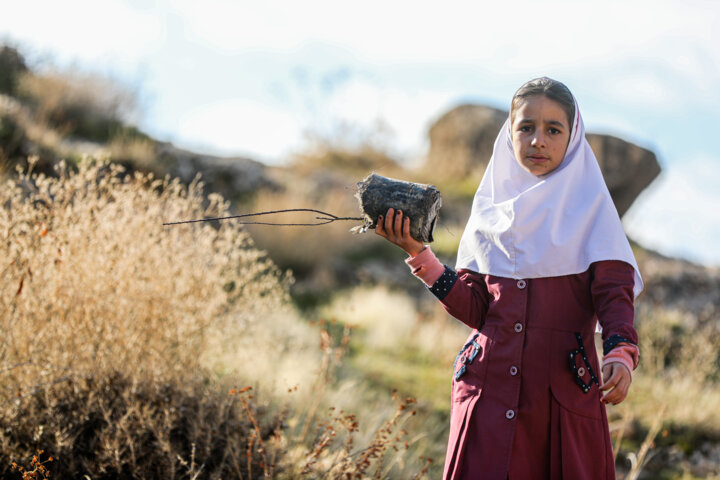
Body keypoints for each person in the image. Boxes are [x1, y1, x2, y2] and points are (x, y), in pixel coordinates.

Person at [375, 77, 641, 480]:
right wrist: (419, 254)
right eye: (526, 127)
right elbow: (478, 309)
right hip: (486, 393)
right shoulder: (488, 213)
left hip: (561, 399)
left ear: (572, 136)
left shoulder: (593, 214)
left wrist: (621, 352)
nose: (538, 140)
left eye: (554, 129)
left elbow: (614, 294)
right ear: (509, 132)